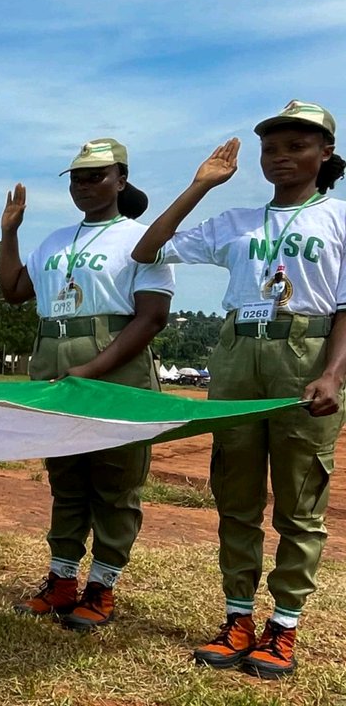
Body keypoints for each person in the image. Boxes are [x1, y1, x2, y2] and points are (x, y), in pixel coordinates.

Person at [132, 101, 346, 679]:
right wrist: (200, 185)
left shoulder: (341, 219)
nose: (281, 157)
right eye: (271, 147)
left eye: (297, 146)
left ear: (325, 153)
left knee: (301, 502)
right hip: (235, 353)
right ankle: (238, 618)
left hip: (306, 352)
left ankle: (284, 627)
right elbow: (147, 250)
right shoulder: (237, 223)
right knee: (237, 495)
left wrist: (333, 373)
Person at [0, 139, 174, 631]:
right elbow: (13, 291)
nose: (84, 185)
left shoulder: (141, 239)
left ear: (121, 178)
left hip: (114, 365)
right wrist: (9, 233)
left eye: (96, 176)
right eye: (76, 177)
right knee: (67, 481)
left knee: (115, 485)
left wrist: (92, 368)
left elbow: (153, 316)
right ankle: (60, 581)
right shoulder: (54, 240)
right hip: (55, 362)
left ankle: (102, 587)